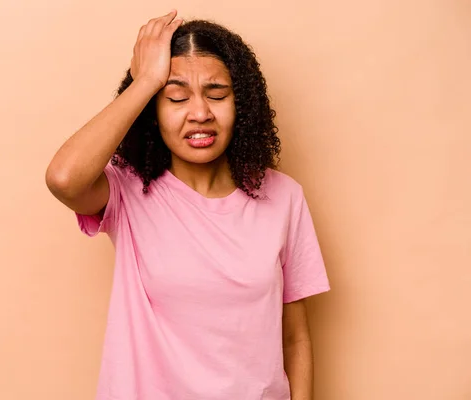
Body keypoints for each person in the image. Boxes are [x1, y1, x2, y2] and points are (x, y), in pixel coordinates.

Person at [45, 10, 330, 400]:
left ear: (242, 105)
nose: (200, 114)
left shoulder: (284, 197)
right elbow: (64, 177)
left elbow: (295, 339)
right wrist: (145, 80)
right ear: (153, 111)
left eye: (217, 95)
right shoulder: (129, 190)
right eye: (176, 97)